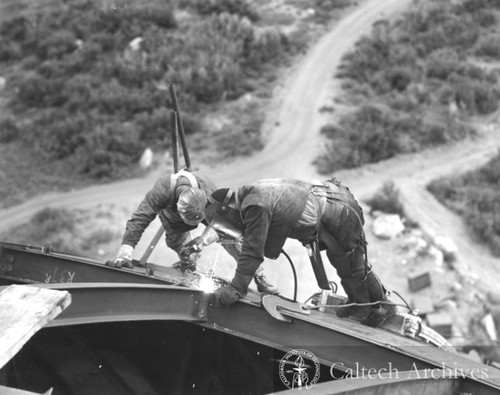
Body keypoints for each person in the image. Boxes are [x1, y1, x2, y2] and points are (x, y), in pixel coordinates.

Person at [188, 177, 396, 328]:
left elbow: (252, 251)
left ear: (226, 210)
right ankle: (356, 300)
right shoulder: (246, 196)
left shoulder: (255, 205)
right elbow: (230, 232)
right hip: (325, 212)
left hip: (338, 211)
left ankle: (384, 307)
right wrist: (202, 241)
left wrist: (236, 288)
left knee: (353, 265)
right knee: (341, 263)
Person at [106, 168, 277, 295]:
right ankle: (189, 263)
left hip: (207, 211)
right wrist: (125, 252)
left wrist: (205, 239)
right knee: (175, 241)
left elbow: (226, 228)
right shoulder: (162, 190)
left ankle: (258, 274)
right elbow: (139, 219)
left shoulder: (209, 191)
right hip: (172, 216)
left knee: (227, 235)